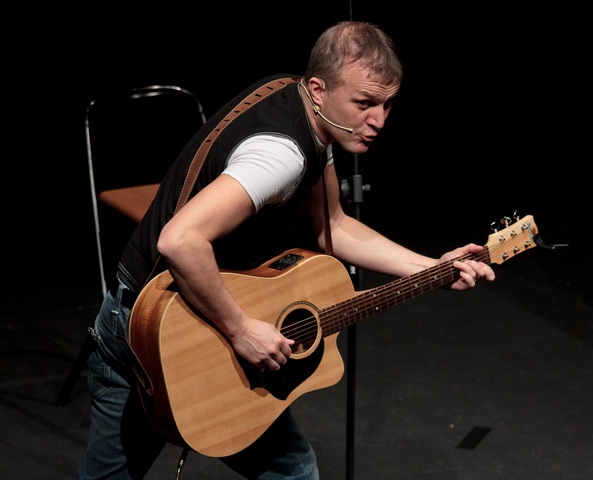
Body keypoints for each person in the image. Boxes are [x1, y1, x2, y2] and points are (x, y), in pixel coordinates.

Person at [77, 20, 495, 479]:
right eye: (364, 103)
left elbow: (333, 227)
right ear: (318, 89)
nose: (379, 120)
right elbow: (179, 240)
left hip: (175, 312)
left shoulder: (305, 108)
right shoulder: (280, 155)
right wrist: (240, 329)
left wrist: (431, 267)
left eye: (387, 104)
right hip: (153, 324)